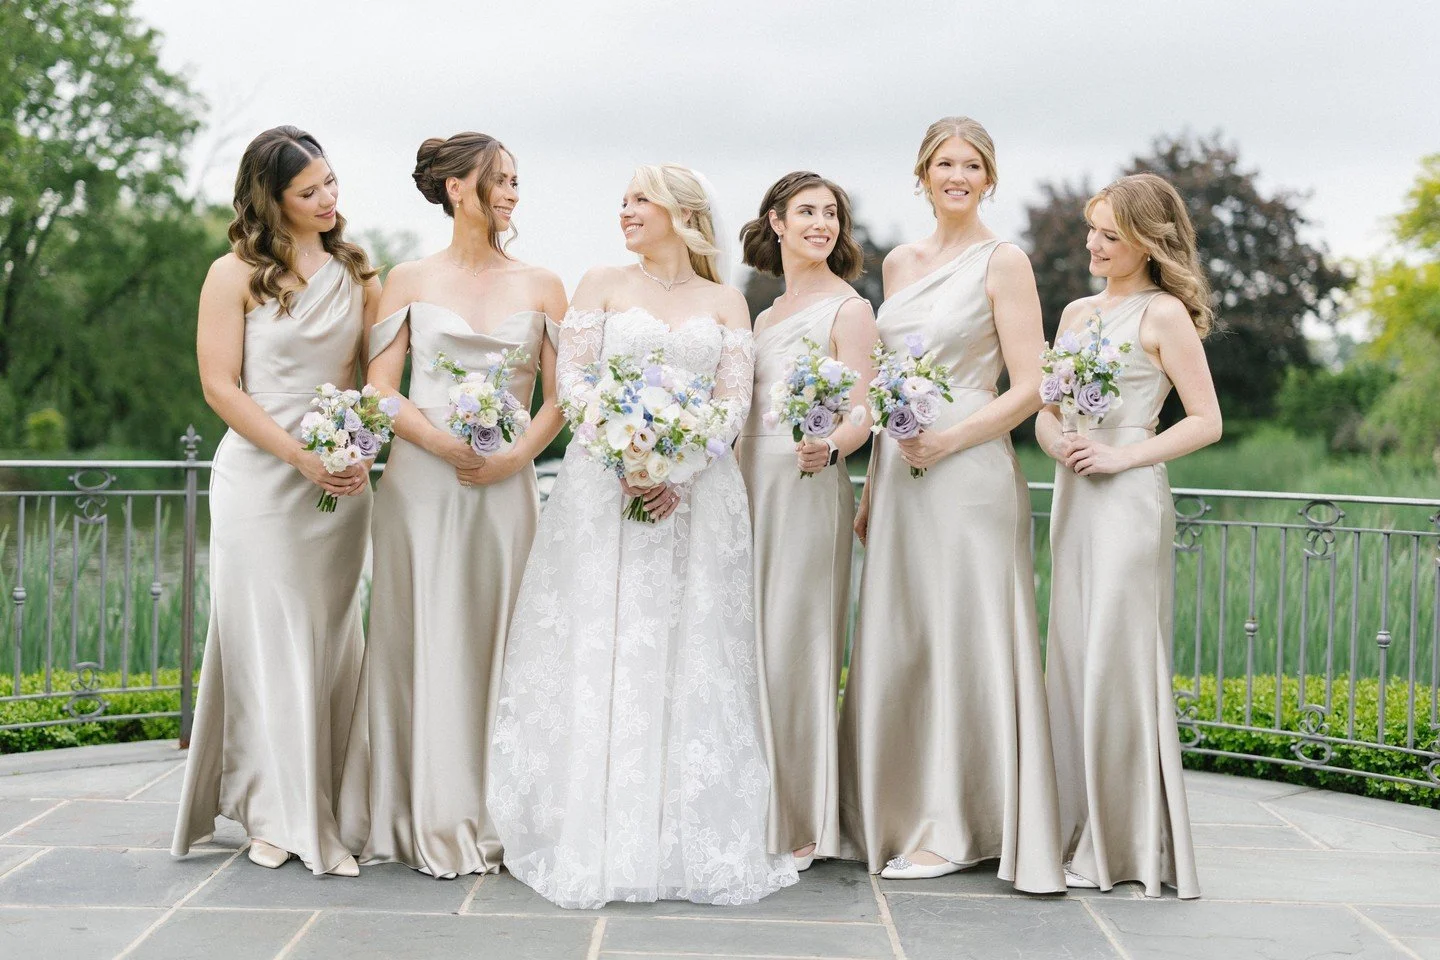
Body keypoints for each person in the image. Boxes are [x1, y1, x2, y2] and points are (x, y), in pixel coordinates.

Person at [487, 164, 798, 909]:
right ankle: (595, 830)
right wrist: (628, 455)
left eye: (639, 200)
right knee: (607, 640)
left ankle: (680, 831)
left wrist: (677, 468)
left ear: (681, 213)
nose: (624, 211)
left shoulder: (727, 301)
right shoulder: (599, 283)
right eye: (622, 199)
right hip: (605, 486)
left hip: (695, 498)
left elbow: (731, 403)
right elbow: (577, 386)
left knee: (688, 649)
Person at [173, 125, 378, 876]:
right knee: (265, 642)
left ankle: (321, 800)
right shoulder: (232, 274)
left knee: (326, 640)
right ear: (272, 199)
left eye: (330, 182)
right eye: (308, 190)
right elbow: (220, 386)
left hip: (340, 488)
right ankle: (269, 810)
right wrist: (299, 455)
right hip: (261, 481)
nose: (328, 199)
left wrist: (357, 451)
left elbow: (369, 384)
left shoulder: (360, 275)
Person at [1038, 173, 1220, 899]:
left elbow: (1205, 421)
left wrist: (1120, 453)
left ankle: (1120, 844)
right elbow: (1047, 410)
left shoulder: (1166, 314)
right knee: (1075, 656)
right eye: (1093, 230)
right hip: (1075, 496)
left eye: (1110, 235)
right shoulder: (1077, 312)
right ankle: (1066, 829)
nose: (1094, 244)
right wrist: (1058, 444)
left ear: (1147, 241)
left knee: (1118, 658)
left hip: (1126, 499)